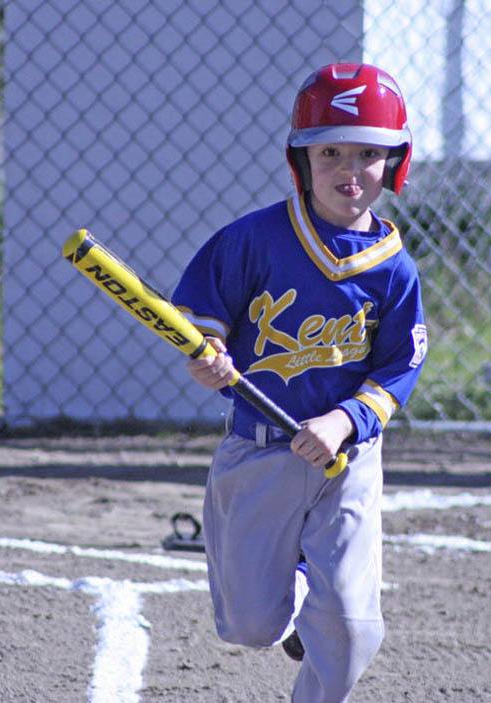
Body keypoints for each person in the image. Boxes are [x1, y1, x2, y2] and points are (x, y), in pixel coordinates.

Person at [171, 63, 427, 702]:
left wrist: (344, 421)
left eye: (368, 153)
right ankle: (298, 601)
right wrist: (208, 356)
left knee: (350, 630)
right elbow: (205, 328)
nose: (349, 169)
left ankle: (322, 621)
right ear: (300, 158)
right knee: (250, 625)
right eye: (330, 151)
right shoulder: (254, 239)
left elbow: (399, 367)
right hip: (259, 455)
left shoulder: (393, 269)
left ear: (394, 161)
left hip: (346, 460)